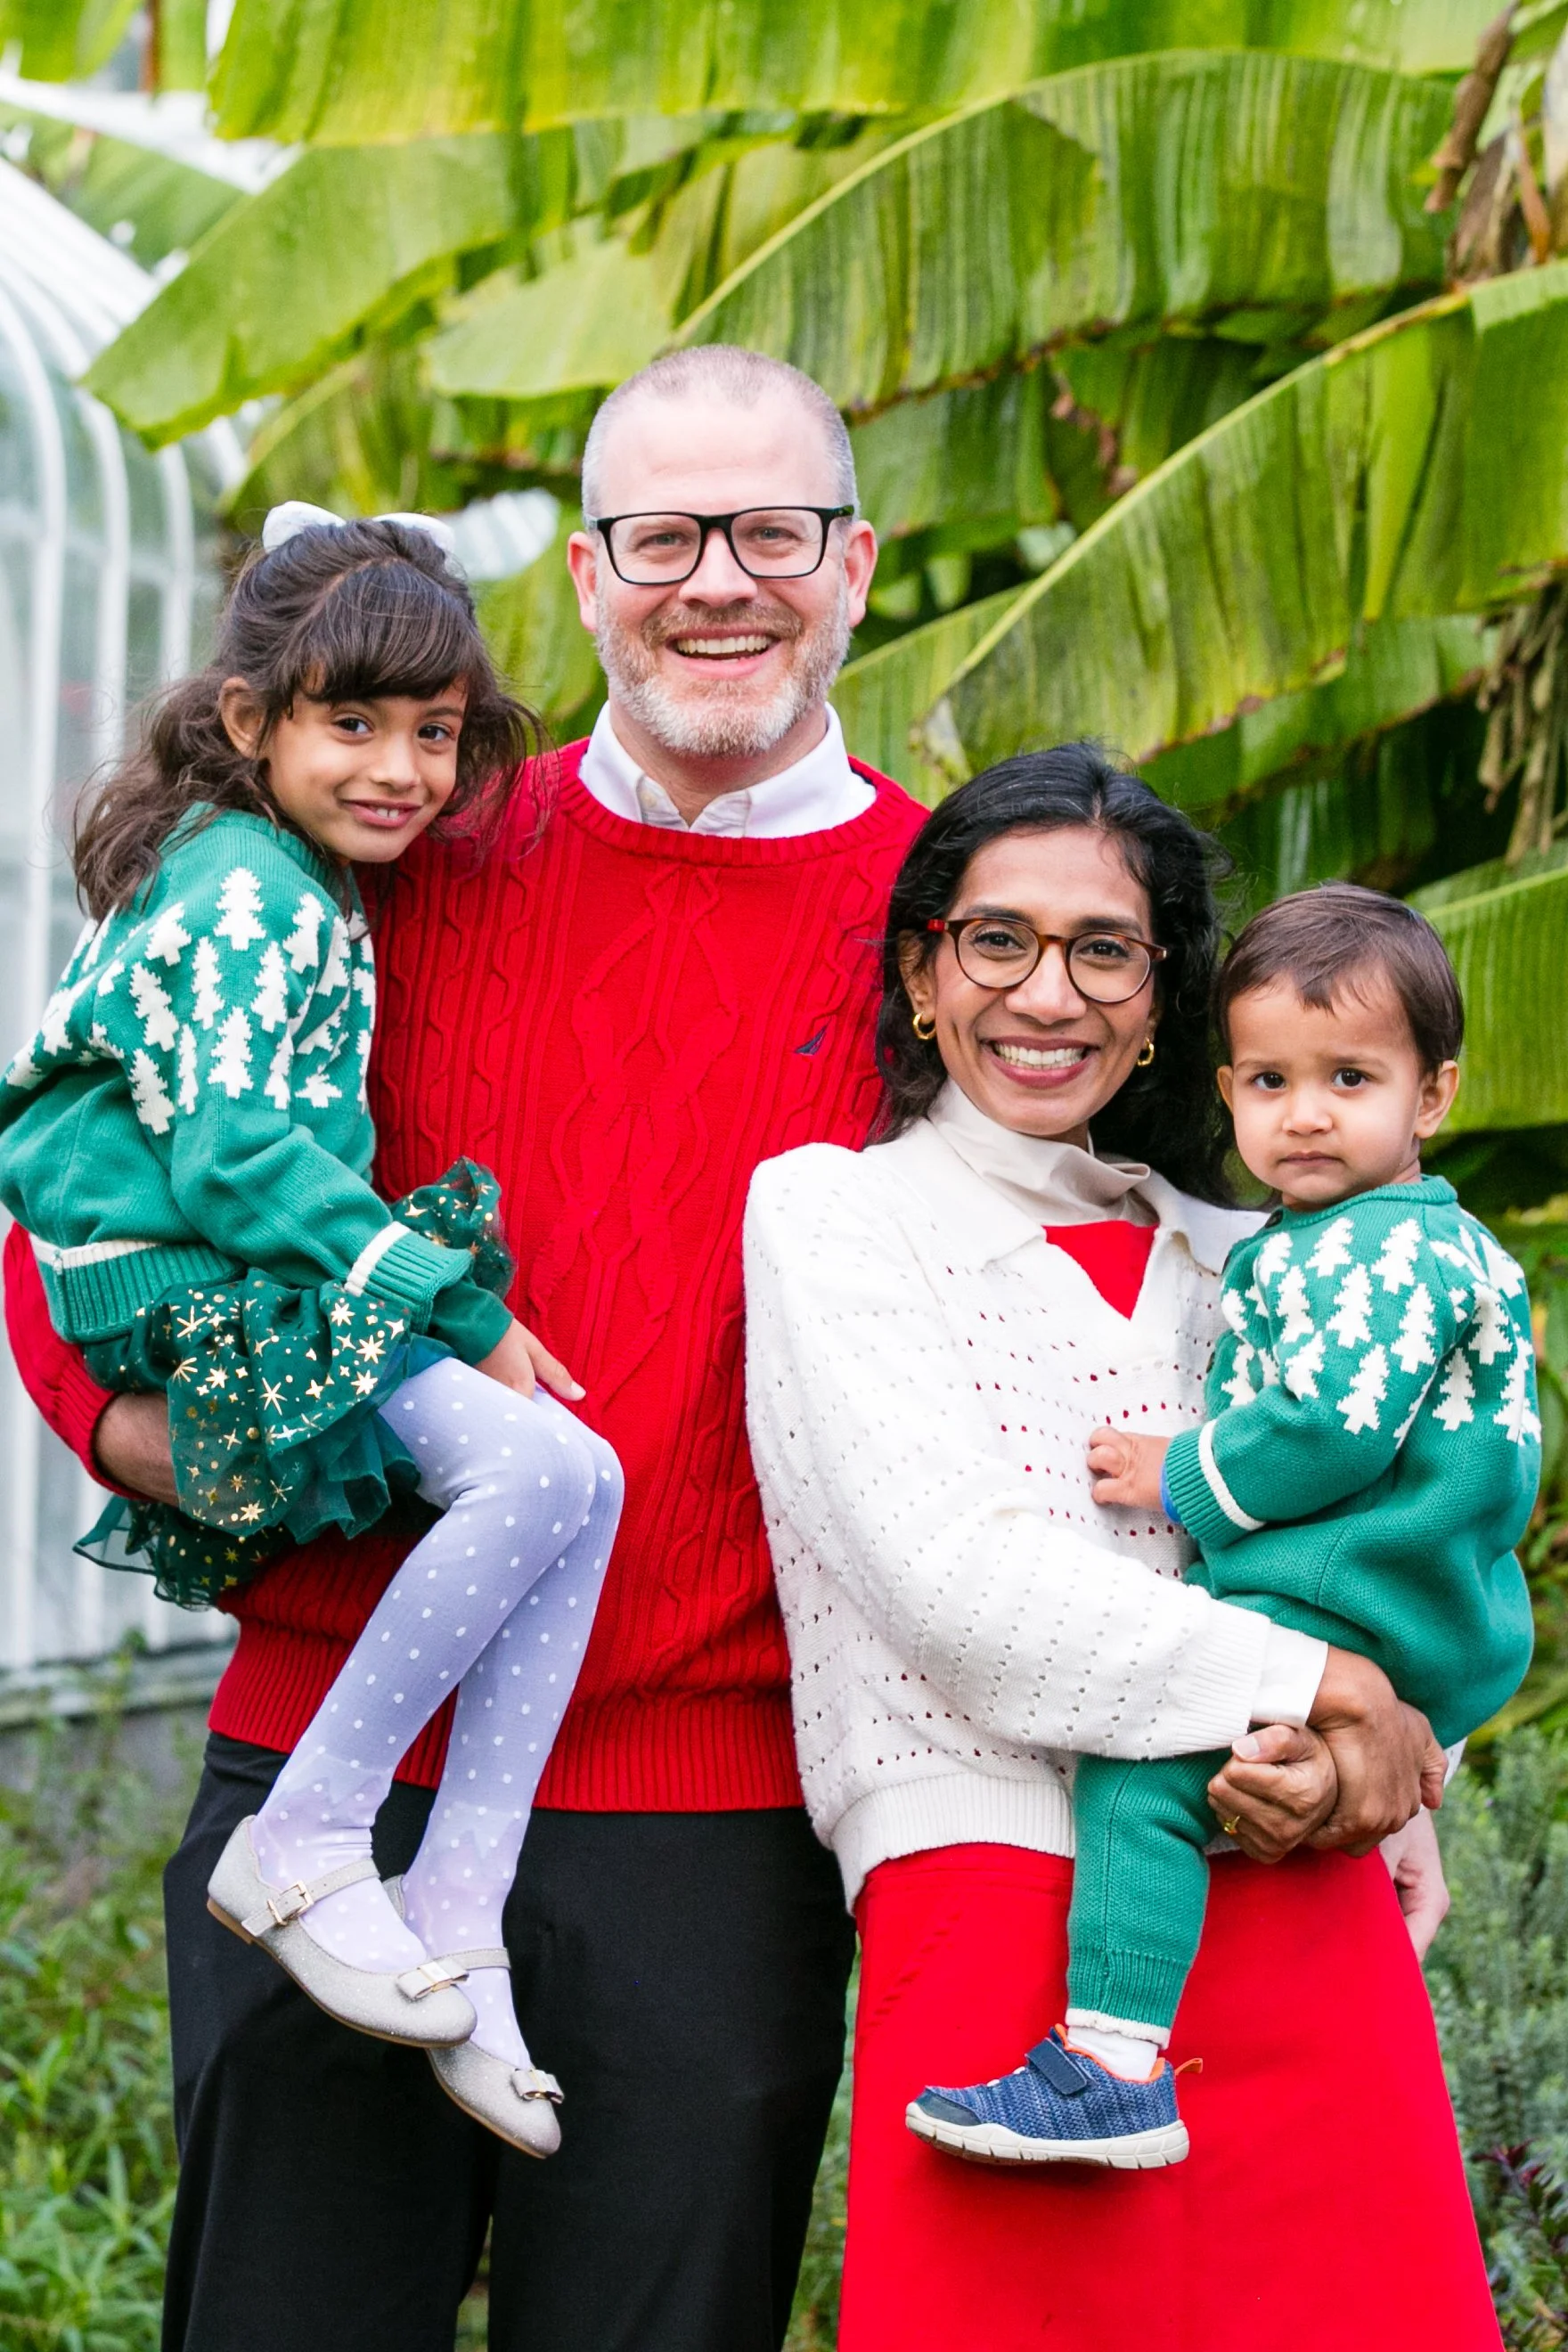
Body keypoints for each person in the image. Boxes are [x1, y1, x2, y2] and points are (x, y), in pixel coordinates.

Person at [3, 347, 926, 2352]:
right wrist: (126, 1423)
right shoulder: (388, 841)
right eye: (660, 535)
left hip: (709, 1808)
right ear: (586, 579)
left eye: (770, 532)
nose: (717, 583)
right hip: (329, 1759)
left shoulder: (941, 928)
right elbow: (100, 1166)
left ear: (855, 564)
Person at [743, 747, 1498, 2352]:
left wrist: (1389, 1761)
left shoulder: (1260, 1253)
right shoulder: (833, 1215)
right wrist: (1335, 1689)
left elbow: (1403, 1520)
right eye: (996, 939)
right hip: (1000, 1927)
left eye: (1106, 949)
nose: (1049, 992)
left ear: (1164, 1001)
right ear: (923, 972)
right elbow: (966, 1590)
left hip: (1296, 1887)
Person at [0, 506, 624, 2153]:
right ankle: (312, 1830)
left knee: (580, 1479)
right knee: (543, 1470)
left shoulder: (295, 873)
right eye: (354, 724)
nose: (403, 769)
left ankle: (457, 1914)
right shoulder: (249, 890)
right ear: (248, 722)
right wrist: (457, 1306)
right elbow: (230, 1153)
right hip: (172, 1273)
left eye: (434, 733)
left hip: (213, 1257)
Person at [909, 882, 1536, 2167]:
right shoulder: (1354, 1234)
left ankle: (1113, 2067)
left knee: (1142, 1772)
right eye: (1268, 1082)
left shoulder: (1382, 1253)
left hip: (1358, 1591)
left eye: (1349, 1079)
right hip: (1393, 1596)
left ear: (1432, 1097)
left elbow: (1335, 1429)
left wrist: (1176, 1474)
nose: (1303, 1116)